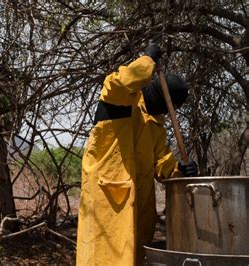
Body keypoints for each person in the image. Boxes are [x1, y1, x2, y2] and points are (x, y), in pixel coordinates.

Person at [76, 43, 198, 265]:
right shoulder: (120, 100)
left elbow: (162, 163)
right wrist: (147, 60)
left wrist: (179, 169)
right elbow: (123, 82)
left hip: (138, 211)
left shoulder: (156, 124)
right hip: (108, 207)